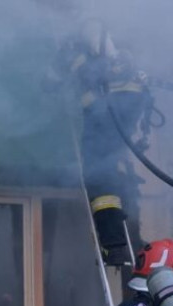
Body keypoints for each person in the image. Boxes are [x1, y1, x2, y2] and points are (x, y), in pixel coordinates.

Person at [44, 18, 152, 264]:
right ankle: (128, 235)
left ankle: (113, 245)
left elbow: (49, 83)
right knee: (113, 165)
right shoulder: (114, 40)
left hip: (104, 114)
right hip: (130, 107)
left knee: (98, 175)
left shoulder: (72, 45)